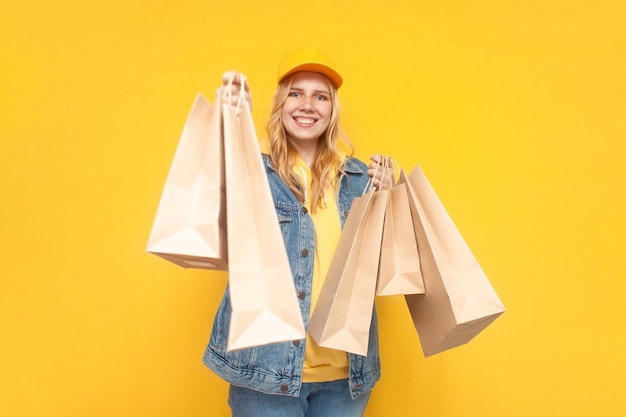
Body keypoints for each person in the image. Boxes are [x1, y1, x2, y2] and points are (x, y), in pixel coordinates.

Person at [203, 46, 392, 417]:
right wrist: (228, 123)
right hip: (265, 372)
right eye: (296, 93)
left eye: (320, 96)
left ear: (331, 108)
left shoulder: (358, 178)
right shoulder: (248, 168)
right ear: (280, 103)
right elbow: (213, 209)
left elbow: (382, 268)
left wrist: (389, 199)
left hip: (345, 376)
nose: (308, 105)